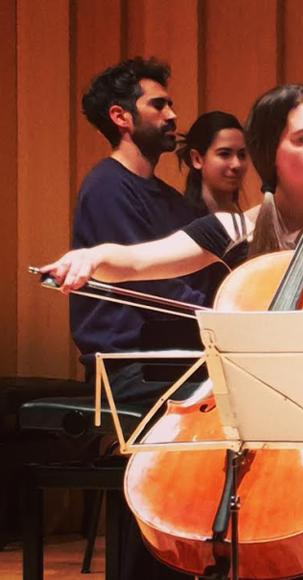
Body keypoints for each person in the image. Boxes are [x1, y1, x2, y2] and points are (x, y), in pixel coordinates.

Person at [42, 83, 303, 580]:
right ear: (272, 152)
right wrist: (91, 258)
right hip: (250, 395)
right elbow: (139, 261)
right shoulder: (240, 228)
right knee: (173, 469)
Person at [75, 57, 212, 399]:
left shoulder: (170, 199)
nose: (171, 115)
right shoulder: (106, 186)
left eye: (171, 105)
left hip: (177, 356)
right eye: (158, 105)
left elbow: (199, 274)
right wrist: (222, 319)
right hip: (129, 366)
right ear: (120, 117)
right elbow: (153, 282)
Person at [176, 110, 247, 214]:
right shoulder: (179, 220)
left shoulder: (248, 223)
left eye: (242, 155)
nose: (237, 164)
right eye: (224, 154)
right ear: (197, 159)